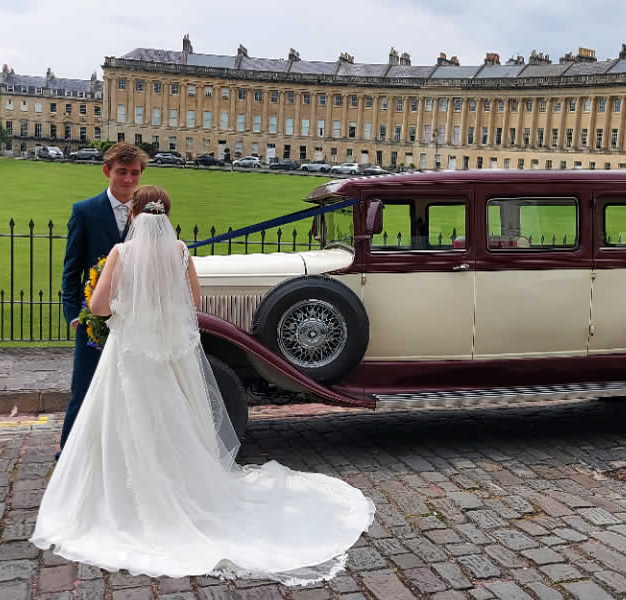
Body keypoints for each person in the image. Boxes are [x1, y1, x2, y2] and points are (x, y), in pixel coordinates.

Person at [32, 186, 376, 584]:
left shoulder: (121, 254)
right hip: (167, 349)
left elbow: (99, 308)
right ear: (166, 214)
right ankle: (183, 487)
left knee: (125, 415)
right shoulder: (179, 251)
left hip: (130, 351)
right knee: (173, 415)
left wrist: (112, 299)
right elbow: (192, 300)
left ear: (135, 217)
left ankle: (121, 495)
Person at [58, 142, 147, 459]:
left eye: (134, 173)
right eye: (121, 172)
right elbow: (71, 271)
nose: (127, 180)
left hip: (136, 318)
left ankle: (123, 453)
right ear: (107, 171)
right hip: (94, 317)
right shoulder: (85, 211)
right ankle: (69, 453)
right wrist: (73, 315)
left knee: (132, 389)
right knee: (84, 389)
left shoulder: (148, 214)